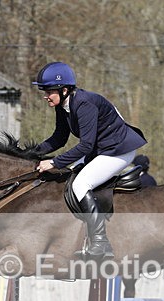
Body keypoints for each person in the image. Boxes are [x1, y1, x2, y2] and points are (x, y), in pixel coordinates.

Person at [33, 62, 147, 258]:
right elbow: (59, 138)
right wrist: (30, 153)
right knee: (69, 178)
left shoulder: (84, 104)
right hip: (100, 149)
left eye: (49, 91)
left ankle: (101, 242)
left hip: (118, 150)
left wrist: (54, 162)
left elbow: (85, 146)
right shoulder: (63, 105)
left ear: (64, 90)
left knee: (80, 184)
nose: (46, 95)